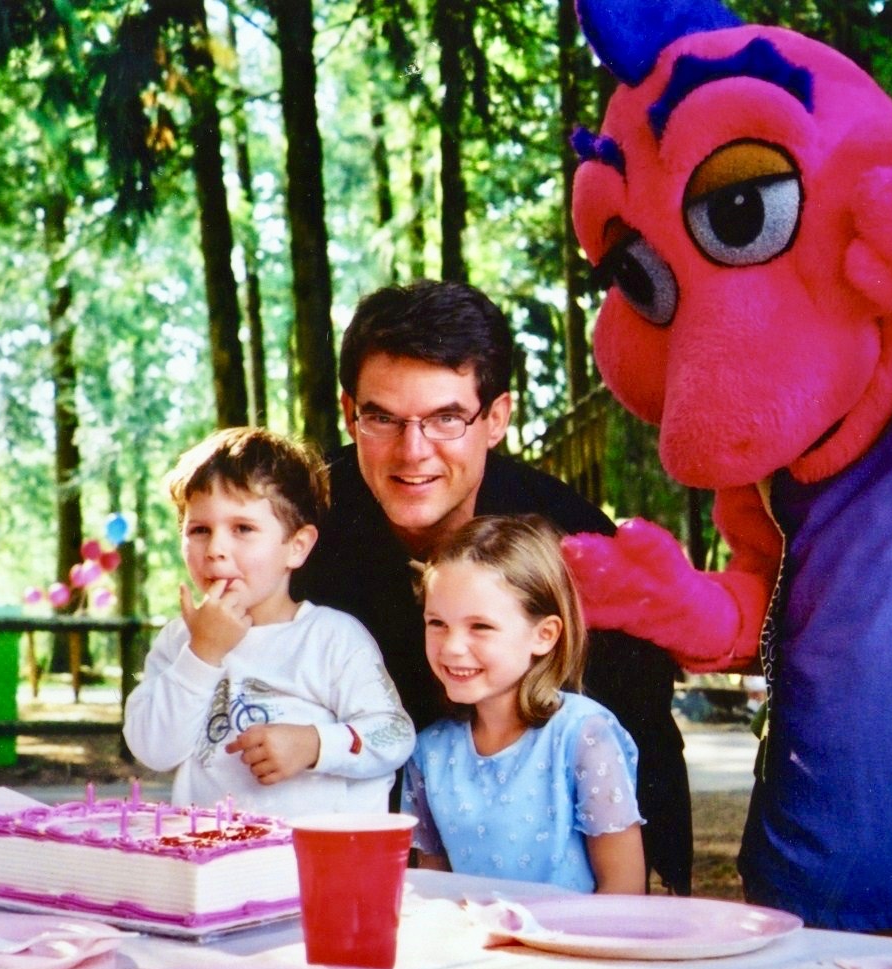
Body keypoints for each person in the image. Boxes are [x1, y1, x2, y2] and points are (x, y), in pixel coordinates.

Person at [292, 279, 692, 894]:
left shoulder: (574, 545)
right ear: (351, 413)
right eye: (383, 418)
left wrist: (653, 887)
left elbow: (642, 727)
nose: (413, 451)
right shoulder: (297, 528)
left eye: (447, 418)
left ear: (497, 417)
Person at [124, 427, 416, 817]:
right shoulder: (180, 641)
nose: (215, 549)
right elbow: (153, 750)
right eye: (199, 530)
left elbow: (395, 735)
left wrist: (315, 744)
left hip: (317, 852)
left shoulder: (331, 638)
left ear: (297, 546)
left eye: (243, 529)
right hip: (210, 852)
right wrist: (202, 654)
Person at [403, 514, 645, 893]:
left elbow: (624, 887)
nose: (452, 647)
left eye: (480, 626)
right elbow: (435, 890)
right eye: (437, 623)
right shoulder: (428, 753)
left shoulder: (583, 735)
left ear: (544, 635)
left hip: (575, 932)